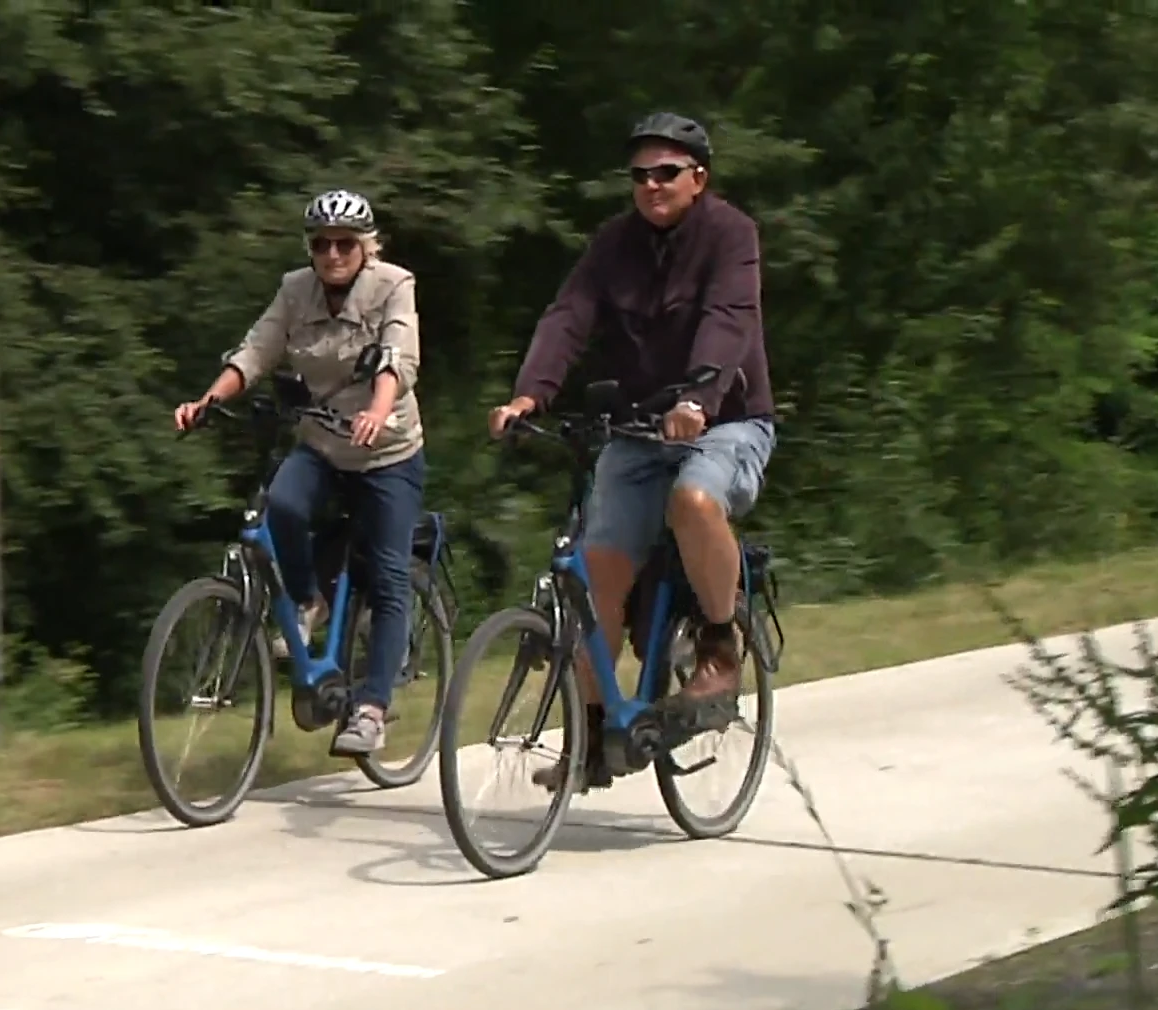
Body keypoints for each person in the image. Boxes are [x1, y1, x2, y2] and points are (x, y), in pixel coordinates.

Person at [487, 112, 777, 793]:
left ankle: (718, 642)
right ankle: (591, 733)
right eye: (641, 175)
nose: (652, 185)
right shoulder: (613, 245)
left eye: (667, 173)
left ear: (698, 178)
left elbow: (728, 321)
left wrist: (698, 401)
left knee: (694, 500)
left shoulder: (731, 236)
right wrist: (530, 395)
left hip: (727, 422)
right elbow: (568, 315)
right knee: (596, 576)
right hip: (639, 430)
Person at [173, 189, 426, 758]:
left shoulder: (393, 284)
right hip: (321, 445)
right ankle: (309, 600)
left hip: (387, 452)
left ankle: (371, 708)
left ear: (365, 247)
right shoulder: (295, 289)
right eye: (321, 243)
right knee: (281, 506)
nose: (332, 253)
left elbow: (398, 356)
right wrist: (208, 401)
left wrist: (378, 411)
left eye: (344, 243)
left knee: (387, 580)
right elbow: (256, 351)